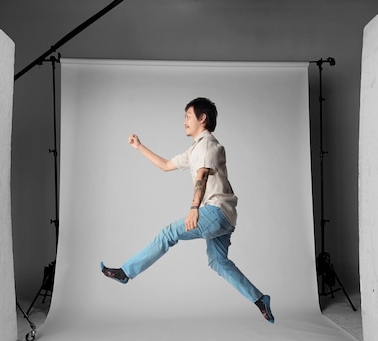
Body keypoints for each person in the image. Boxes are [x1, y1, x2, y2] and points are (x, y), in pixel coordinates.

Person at [100, 97, 274, 324]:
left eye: (187, 116)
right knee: (218, 262)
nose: (184, 122)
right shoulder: (195, 149)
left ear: (202, 118)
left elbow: (201, 175)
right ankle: (260, 299)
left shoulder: (208, 145)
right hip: (226, 218)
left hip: (215, 211)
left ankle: (126, 272)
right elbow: (166, 166)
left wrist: (194, 209)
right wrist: (139, 147)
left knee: (168, 234)